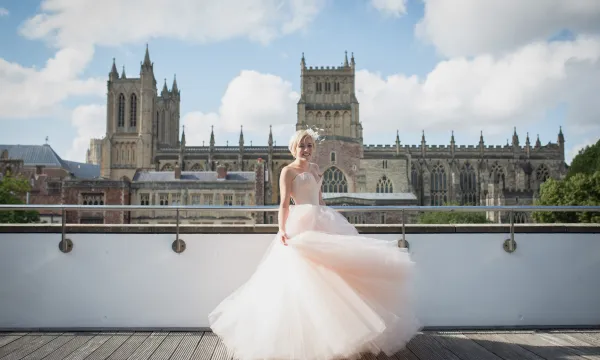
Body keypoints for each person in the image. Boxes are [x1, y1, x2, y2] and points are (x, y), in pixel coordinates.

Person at [209, 129, 421, 360]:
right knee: (302, 281)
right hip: (299, 223)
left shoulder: (316, 168)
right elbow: (283, 204)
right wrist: (281, 229)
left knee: (334, 277)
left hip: (321, 219)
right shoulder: (287, 171)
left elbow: (320, 200)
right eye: (303, 146)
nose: (307, 150)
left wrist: (331, 218)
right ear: (294, 147)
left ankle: (341, 335)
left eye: (310, 145)